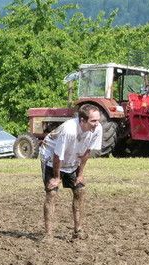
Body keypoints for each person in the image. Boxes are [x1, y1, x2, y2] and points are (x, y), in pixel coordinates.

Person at [40, 103, 103, 241]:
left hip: (73, 157)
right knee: (52, 192)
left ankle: (78, 231)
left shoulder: (97, 129)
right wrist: (57, 177)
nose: (97, 123)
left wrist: (80, 174)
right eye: (93, 121)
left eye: (98, 120)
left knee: (80, 191)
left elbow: (87, 151)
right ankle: (48, 234)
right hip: (51, 157)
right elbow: (58, 156)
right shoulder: (68, 130)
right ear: (82, 120)